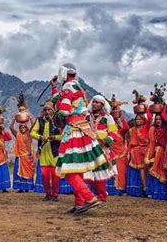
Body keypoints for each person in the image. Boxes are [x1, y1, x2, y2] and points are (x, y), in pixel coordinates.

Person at [51, 63, 108, 214]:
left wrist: (57, 115)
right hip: (84, 129)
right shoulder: (78, 87)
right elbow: (64, 100)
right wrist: (54, 89)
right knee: (79, 168)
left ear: (63, 74)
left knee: (69, 169)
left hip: (74, 130)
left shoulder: (67, 87)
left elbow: (64, 110)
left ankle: (89, 197)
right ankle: (79, 203)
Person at [84, 95, 117, 203]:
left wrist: (106, 140)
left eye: (97, 102)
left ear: (102, 105)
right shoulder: (87, 117)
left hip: (101, 148)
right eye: (94, 102)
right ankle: (98, 193)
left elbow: (113, 132)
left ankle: (102, 196)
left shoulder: (108, 117)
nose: (94, 104)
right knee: (88, 173)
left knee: (99, 172)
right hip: (88, 147)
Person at [31, 102, 62, 201]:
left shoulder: (58, 121)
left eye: (49, 110)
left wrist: (55, 137)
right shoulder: (39, 120)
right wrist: (40, 137)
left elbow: (64, 136)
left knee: (55, 175)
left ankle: (55, 195)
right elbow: (32, 133)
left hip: (54, 152)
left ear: (53, 111)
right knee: (44, 175)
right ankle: (48, 194)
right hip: (43, 152)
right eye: (45, 110)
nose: (47, 112)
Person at [126, 108, 152, 197]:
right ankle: (134, 191)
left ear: (143, 120)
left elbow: (150, 118)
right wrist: (128, 152)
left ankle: (144, 190)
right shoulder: (132, 129)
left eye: (140, 119)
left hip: (143, 152)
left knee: (143, 172)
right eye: (136, 119)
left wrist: (146, 108)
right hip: (134, 152)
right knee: (133, 172)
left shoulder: (146, 127)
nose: (138, 121)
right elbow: (130, 143)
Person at [145, 113, 167, 200]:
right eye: (157, 119)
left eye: (160, 119)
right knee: (152, 171)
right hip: (154, 152)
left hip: (162, 153)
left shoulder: (166, 129)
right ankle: (153, 192)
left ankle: (161, 194)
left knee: (160, 171)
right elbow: (151, 142)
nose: (158, 121)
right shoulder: (152, 129)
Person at [108, 99, 129, 195]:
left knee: (121, 171)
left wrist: (121, 117)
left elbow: (126, 128)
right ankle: (111, 189)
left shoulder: (120, 131)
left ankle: (120, 189)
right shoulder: (108, 131)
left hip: (120, 154)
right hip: (111, 153)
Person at [11, 120, 35, 193]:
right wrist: (14, 119)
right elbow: (11, 127)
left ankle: (27, 187)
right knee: (19, 172)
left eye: (24, 127)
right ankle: (20, 188)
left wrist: (30, 118)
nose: (22, 128)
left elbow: (33, 126)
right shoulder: (18, 134)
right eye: (21, 127)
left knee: (27, 172)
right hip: (20, 156)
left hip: (27, 157)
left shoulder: (29, 134)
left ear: (27, 128)